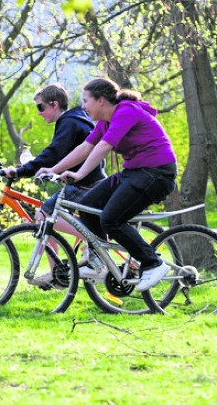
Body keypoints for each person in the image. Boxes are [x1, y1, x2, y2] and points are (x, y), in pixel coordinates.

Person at [37, 77, 177, 292]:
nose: (83, 106)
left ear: (101, 100)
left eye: (86, 101)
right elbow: (85, 147)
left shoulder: (126, 111)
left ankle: (152, 263)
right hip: (135, 172)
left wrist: (79, 173)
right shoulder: (105, 122)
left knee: (110, 219)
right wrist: (53, 170)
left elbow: (104, 146)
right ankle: (97, 263)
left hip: (157, 173)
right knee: (88, 207)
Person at [2, 84, 106, 286]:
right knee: (46, 214)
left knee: (43, 215)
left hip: (84, 186)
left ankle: (91, 244)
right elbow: (58, 154)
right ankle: (65, 265)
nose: (40, 113)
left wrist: (20, 171)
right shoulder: (74, 121)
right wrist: (33, 166)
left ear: (55, 104)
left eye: (41, 108)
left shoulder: (69, 122)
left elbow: (53, 154)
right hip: (87, 183)